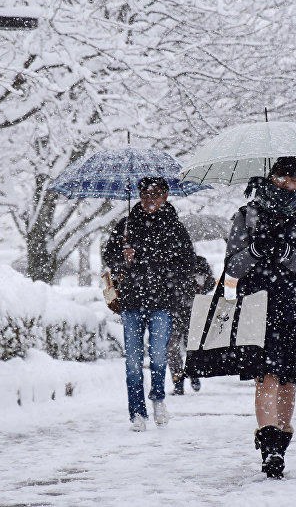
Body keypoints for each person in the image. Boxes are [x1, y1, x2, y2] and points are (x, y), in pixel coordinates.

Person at [225, 156, 296, 479]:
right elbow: (232, 266)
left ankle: (280, 444)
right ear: (270, 177)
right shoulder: (249, 215)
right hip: (258, 305)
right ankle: (269, 447)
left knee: (288, 379)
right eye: (280, 178)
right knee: (265, 376)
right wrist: (255, 250)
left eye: (293, 179)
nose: (286, 185)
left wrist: (288, 255)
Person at [102, 177, 195, 432]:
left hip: (162, 303)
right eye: (145, 194)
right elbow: (108, 256)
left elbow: (188, 263)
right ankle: (136, 412)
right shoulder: (126, 226)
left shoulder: (175, 228)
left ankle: (158, 398)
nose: (149, 199)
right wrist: (123, 257)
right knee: (132, 361)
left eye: (155, 194)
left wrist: (156, 264)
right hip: (131, 302)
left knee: (158, 356)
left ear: (165, 196)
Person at [168, 255, 216, 395]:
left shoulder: (199, 262)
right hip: (175, 310)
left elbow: (210, 282)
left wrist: (201, 284)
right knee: (173, 348)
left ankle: (193, 374)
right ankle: (178, 382)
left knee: (189, 345)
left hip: (192, 310)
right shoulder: (169, 261)